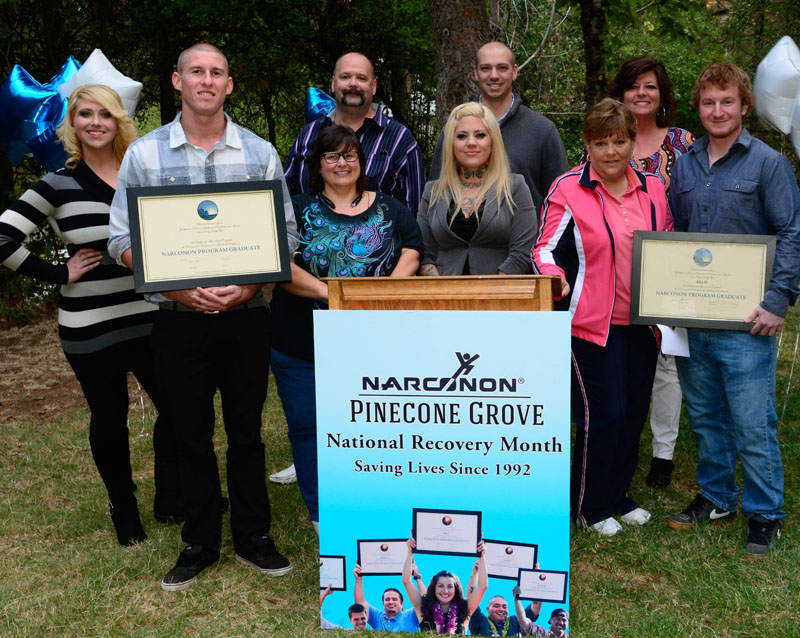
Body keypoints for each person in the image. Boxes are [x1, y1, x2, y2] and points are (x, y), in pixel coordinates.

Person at [107, 42, 299, 589]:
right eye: (197, 72)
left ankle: (253, 537)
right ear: (177, 81)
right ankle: (199, 540)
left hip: (246, 318)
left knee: (246, 432)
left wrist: (248, 287)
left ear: (229, 84)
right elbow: (122, 236)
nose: (207, 81)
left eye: (217, 73)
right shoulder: (144, 155)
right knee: (188, 430)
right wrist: (178, 287)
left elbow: (284, 234)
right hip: (177, 319)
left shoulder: (259, 153)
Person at [0, 84, 181, 546]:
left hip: (150, 314)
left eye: (105, 113)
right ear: (72, 125)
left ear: (119, 120)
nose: (95, 122)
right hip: (90, 324)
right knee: (109, 417)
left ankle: (170, 497)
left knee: (180, 408)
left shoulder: (142, 174)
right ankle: (124, 511)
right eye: (85, 114)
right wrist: (58, 272)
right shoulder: (56, 183)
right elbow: (2, 239)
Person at [667, 63, 800, 557]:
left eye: (727, 102)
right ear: (697, 108)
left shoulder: (769, 164)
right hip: (694, 316)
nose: (717, 111)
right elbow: (674, 237)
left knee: (751, 419)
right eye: (708, 102)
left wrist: (777, 300)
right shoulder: (684, 165)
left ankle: (765, 512)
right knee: (704, 415)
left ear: (745, 105)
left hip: (748, 320)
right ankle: (718, 496)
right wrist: (667, 297)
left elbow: (791, 232)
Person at [270, 125, 422, 532]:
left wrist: (383, 294)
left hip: (374, 343)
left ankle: (373, 500)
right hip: (302, 343)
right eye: (332, 156)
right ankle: (321, 513)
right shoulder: (297, 208)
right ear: (318, 165)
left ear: (362, 161)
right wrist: (331, 294)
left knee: (372, 427)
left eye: (350, 155)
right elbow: (280, 264)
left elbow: (412, 248)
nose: (342, 163)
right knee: (309, 426)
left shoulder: (390, 208)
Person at [532, 98, 672, 536]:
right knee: (604, 414)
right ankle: (589, 506)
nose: (610, 151)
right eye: (600, 142)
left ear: (633, 141)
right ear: (587, 145)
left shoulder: (653, 189)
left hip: (642, 322)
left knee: (632, 413)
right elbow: (543, 249)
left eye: (619, 140)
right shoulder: (568, 188)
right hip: (590, 325)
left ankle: (619, 495)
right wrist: (554, 277)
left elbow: (666, 244)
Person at [607, 57, 696, 488]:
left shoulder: (682, 143)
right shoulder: (609, 141)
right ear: (620, 94)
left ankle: (663, 451)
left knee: (667, 360)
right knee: (623, 357)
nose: (641, 94)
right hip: (615, 269)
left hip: (668, 263)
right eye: (633, 87)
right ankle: (621, 440)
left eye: (650, 86)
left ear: (661, 95)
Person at [429, 41, 568, 220]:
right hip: (462, 242)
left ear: (514, 71)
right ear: (476, 73)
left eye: (502, 68)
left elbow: (560, 199)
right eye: (486, 68)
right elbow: (435, 194)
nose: (494, 76)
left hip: (527, 244)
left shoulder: (542, 130)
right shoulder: (455, 130)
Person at [284, 52, 425, 216]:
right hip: (309, 239)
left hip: (381, 240)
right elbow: (285, 200)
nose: (353, 84)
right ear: (333, 84)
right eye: (345, 77)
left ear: (373, 86)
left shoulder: (401, 139)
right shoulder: (309, 134)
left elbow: (415, 213)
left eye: (361, 78)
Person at [417, 102, 537, 277]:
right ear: (451, 143)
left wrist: (488, 293)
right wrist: (442, 291)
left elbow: (522, 251)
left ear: (493, 141)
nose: (471, 143)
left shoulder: (515, 187)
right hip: (443, 297)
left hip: (502, 295)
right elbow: (424, 252)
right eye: (462, 136)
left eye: (480, 135)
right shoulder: (432, 192)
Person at [401, 535, 488, 634]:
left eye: (450, 587)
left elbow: (483, 586)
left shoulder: (464, 609)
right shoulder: (422, 606)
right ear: (434, 588)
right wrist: (409, 552)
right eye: (440, 586)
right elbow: (406, 581)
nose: (445, 591)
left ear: (456, 590)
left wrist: (482, 556)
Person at [353, 565, 421, 633]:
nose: (391, 602)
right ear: (383, 603)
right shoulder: (378, 617)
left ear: (402, 603)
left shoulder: (411, 615)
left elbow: (423, 604)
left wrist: (417, 577)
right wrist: (358, 579)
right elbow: (360, 603)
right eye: (387, 599)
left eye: (394, 599)